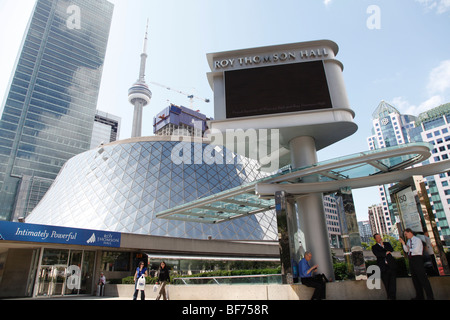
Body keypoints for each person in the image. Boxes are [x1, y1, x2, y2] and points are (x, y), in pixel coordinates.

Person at [400, 229, 434, 300]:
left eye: (406, 234)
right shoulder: (409, 241)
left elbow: (415, 250)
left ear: (410, 232)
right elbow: (406, 250)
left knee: (423, 279)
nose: (406, 236)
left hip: (417, 259)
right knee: (415, 279)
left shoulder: (417, 240)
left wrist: (410, 249)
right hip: (411, 260)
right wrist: (403, 244)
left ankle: (430, 297)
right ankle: (419, 296)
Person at [371, 233, 397, 300]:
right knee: (386, 283)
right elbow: (378, 254)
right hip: (383, 267)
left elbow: (391, 249)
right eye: (378, 238)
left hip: (391, 266)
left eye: (380, 237)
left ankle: (393, 297)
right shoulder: (374, 247)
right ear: (375, 239)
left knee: (393, 283)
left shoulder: (387, 244)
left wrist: (383, 246)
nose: (380, 239)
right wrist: (385, 253)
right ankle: (389, 297)